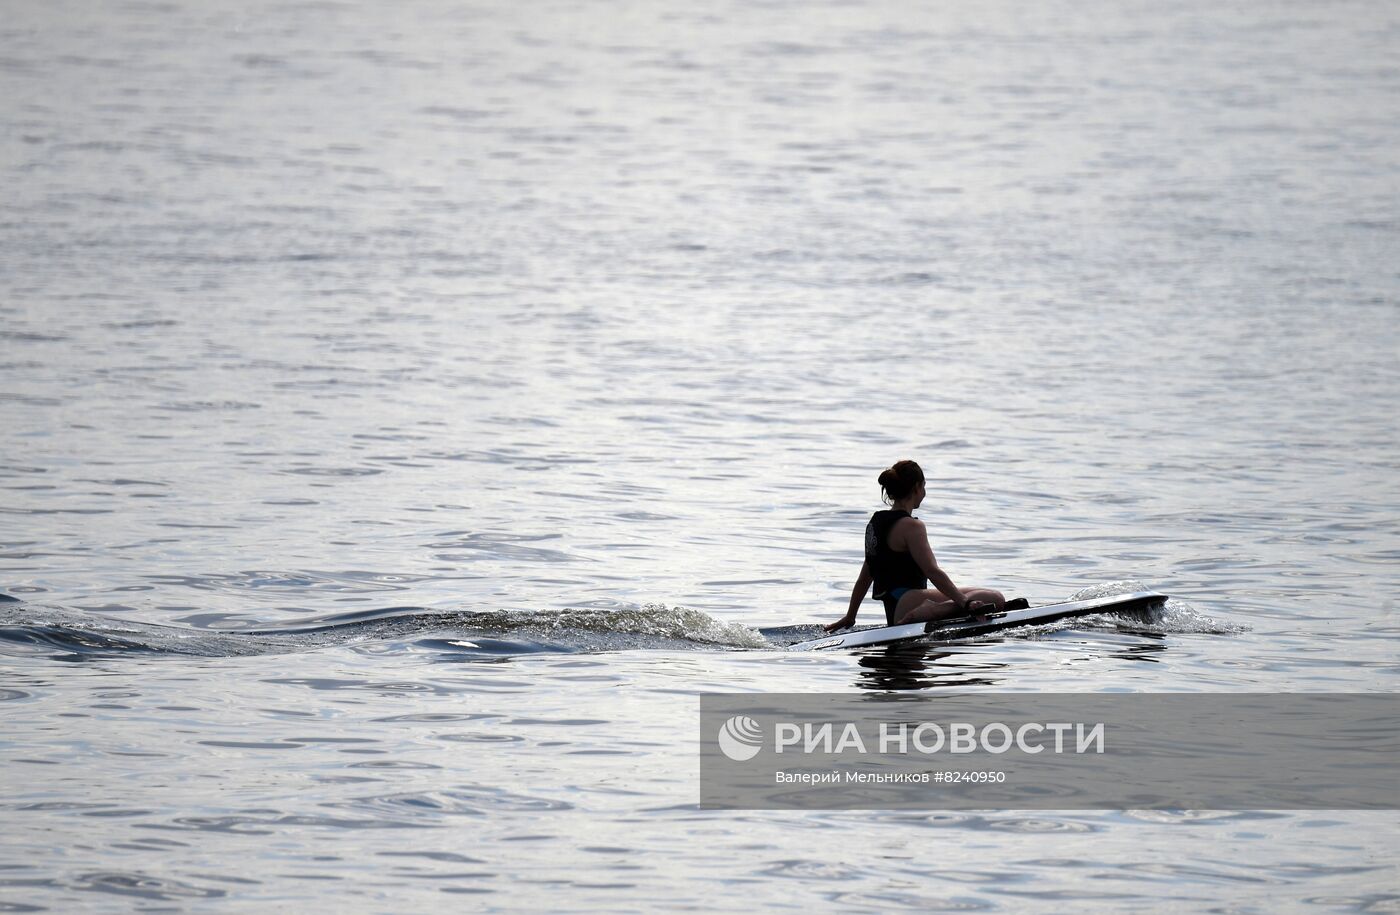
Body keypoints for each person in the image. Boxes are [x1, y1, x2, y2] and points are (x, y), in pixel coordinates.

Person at [824, 460, 1005, 632]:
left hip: (894, 611)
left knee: (978, 596)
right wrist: (964, 603)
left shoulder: (876, 523)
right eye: (924, 486)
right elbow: (932, 571)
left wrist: (851, 615)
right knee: (995, 598)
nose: (924, 493)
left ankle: (939, 607)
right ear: (917, 487)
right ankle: (935, 610)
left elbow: (865, 576)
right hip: (911, 602)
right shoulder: (912, 526)